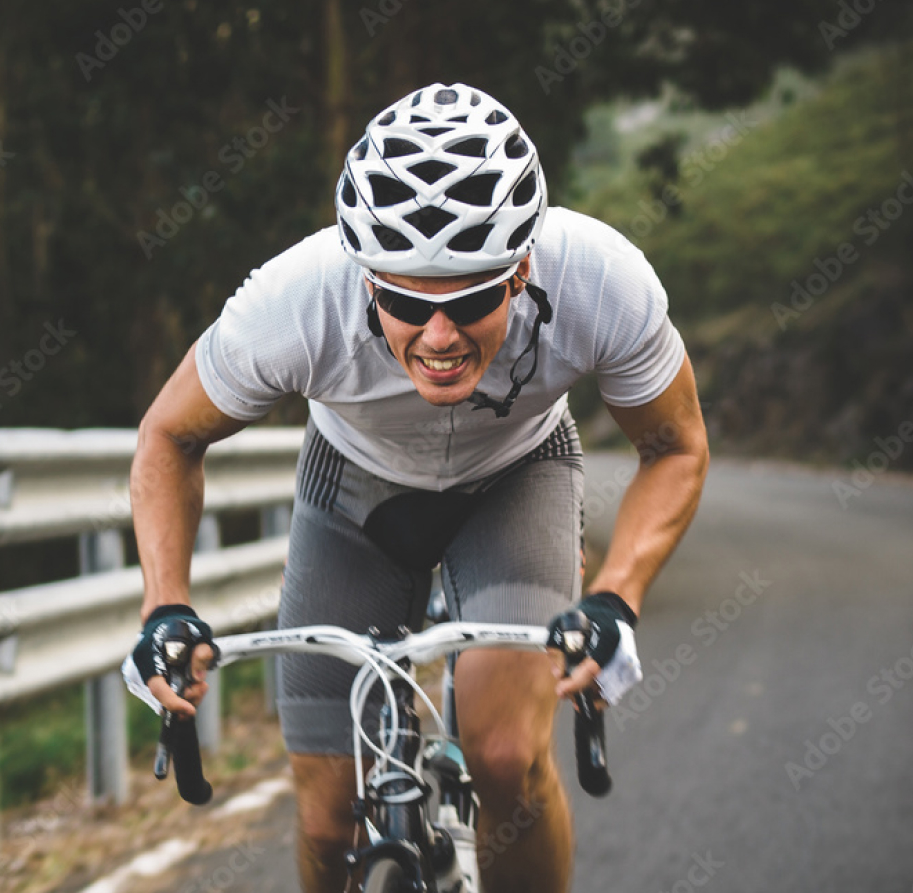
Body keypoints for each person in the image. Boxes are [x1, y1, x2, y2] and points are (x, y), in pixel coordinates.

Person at [125, 83, 709, 893]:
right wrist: (165, 604)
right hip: (352, 492)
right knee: (328, 820)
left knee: (507, 757)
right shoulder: (296, 301)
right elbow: (168, 435)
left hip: (519, 473)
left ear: (521, 271)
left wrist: (615, 595)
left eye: (469, 299)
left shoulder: (600, 281)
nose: (439, 337)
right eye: (405, 301)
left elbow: (674, 444)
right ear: (365, 279)